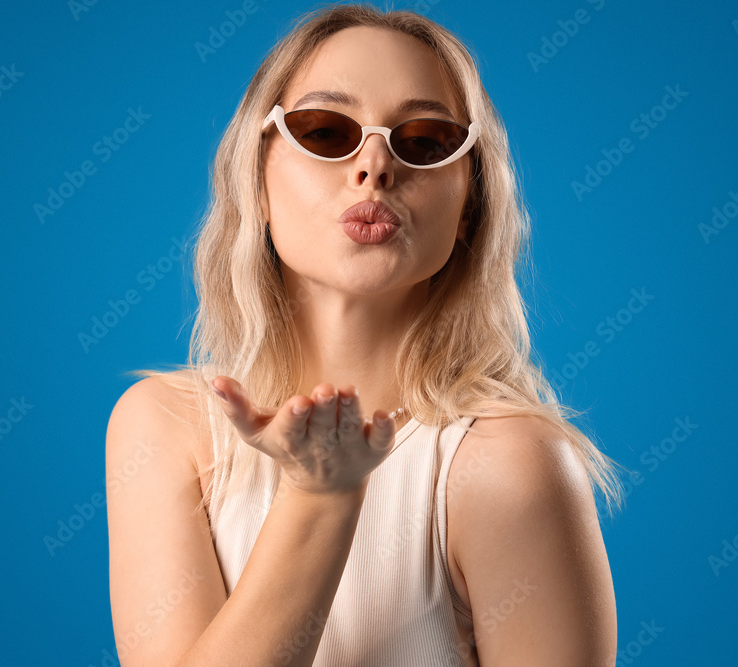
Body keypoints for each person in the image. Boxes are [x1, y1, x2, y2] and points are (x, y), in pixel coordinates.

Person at [105, 4, 625, 665]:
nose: (375, 166)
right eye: (325, 132)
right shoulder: (163, 427)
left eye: (426, 141)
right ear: (258, 180)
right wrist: (320, 497)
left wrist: (326, 491)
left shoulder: (511, 467)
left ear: (470, 205)